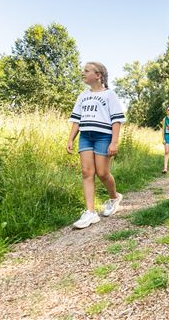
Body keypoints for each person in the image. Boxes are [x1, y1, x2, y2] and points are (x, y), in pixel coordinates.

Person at [66, 62, 125, 229]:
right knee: (86, 172)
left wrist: (114, 142)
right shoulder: (82, 96)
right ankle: (90, 212)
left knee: (103, 172)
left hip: (103, 137)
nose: (82, 73)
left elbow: (116, 120)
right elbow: (77, 120)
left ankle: (114, 198)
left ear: (98, 75)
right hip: (85, 136)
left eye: (86, 71)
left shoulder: (109, 95)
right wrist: (70, 139)